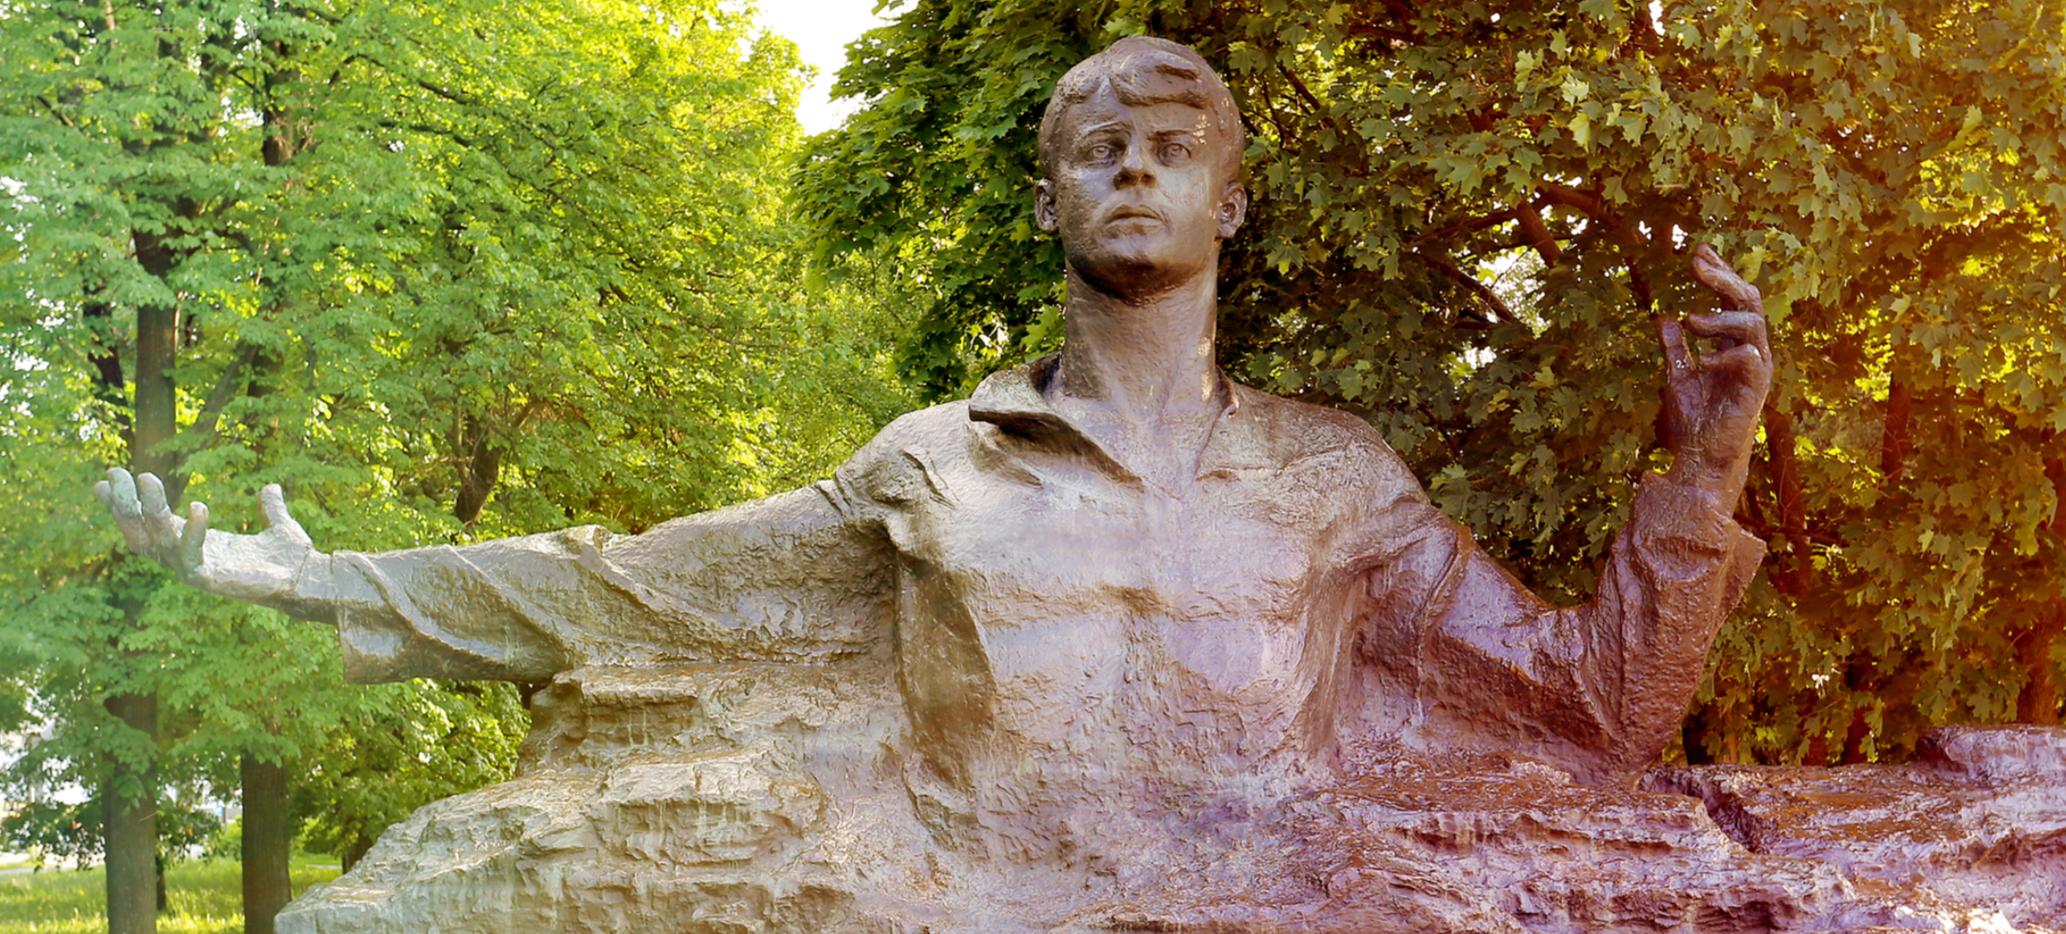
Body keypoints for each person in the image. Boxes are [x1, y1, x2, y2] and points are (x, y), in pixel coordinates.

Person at [99, 36, 1777, 926]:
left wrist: (1705, 467)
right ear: (1051, 203)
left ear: (1231, 205)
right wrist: (312, 576)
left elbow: (1596, 710)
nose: (1133, 169)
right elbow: (637, 581)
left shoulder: (1333, 478)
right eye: (1097, 151)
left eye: (1172, 149)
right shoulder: (927, 469)